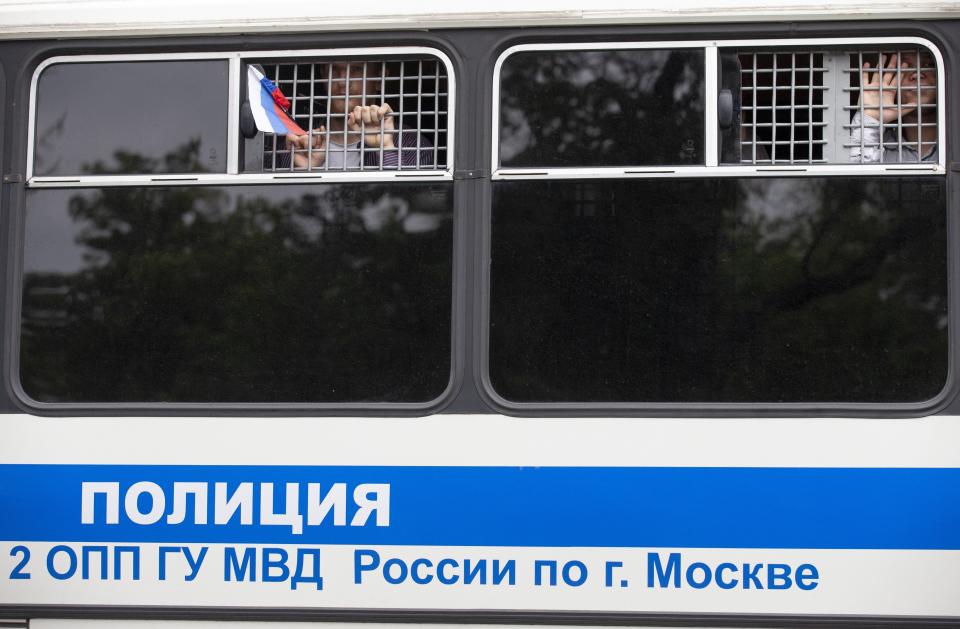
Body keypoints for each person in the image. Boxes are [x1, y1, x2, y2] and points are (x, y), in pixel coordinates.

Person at [284, 62, 434, 170]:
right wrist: (306, 172)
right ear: (323, 76)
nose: (342, 81)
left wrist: (385, 149)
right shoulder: (298, 144)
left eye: (355, 69)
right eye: (334, 70)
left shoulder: (412, 144)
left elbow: (409, 206)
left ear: (380, 78)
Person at [849, 51, 937, 163]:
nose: (917, 74)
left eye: (929, 64)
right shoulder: (878, 145)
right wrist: (871, 118)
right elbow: (856, 178)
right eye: (905, 66)